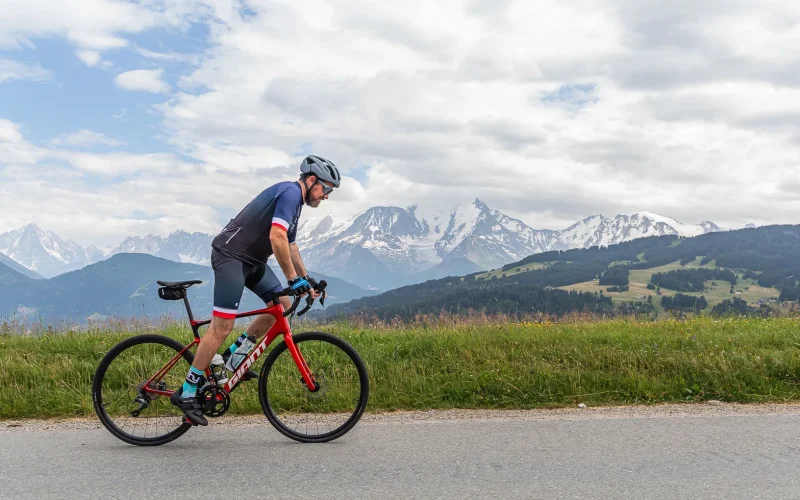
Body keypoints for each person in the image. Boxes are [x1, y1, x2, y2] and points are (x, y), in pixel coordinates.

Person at [171, 155, 341, 425]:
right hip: (231, 257)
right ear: (312, 181)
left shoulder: (295, 203)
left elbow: (291, 246)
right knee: (222, 327)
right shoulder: (289, 193)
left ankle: (232, 360)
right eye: (327, 189)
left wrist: (305, 279)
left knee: (283, 305)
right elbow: (277, 237)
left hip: (253, 262)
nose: (327, 196)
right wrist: (292, 278)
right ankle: (188, 391)